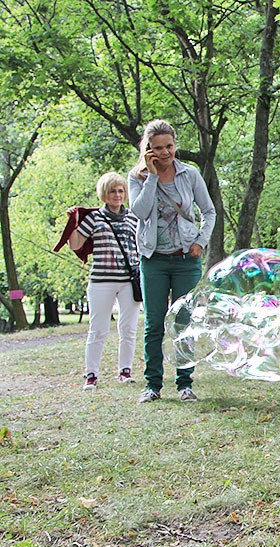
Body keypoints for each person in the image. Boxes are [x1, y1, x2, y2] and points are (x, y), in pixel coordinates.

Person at [128, 119, 216, 403]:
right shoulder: (137, 177)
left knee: (184, 322)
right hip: (153, 260)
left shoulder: (190, 175)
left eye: (169, 146)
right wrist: (152, 176)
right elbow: (140, 212)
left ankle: (185, 384)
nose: (165, 153)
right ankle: (152, 385)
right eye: (158, 148)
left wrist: (200, 242)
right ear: (147, 149)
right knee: (154, 323)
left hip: (185, 260)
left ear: (175, 145)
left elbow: (209, 211)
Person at [66, 173, 141, 390]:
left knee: (128, 329)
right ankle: (91, 375)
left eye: (120, 191)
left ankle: (125, 371)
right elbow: (75, 244)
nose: (117, 195)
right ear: (104, 194)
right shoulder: (95, 218)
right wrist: (74, 221)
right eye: (112, 191)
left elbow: (141, 246)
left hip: (129, 282)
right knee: (98, 329)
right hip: (101, 281)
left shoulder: (132, 218)